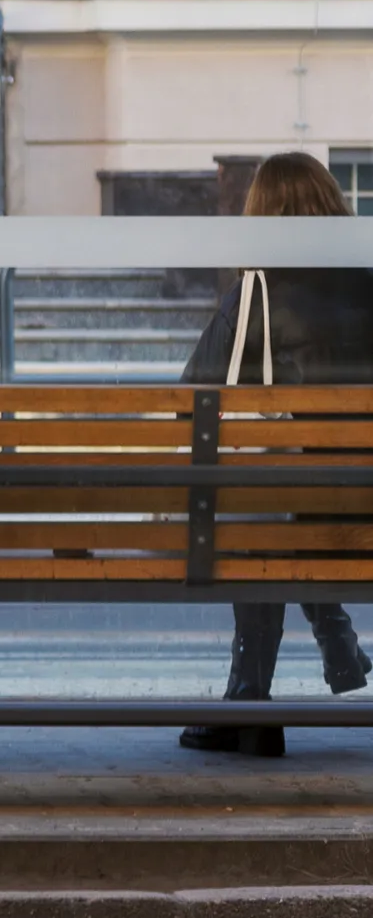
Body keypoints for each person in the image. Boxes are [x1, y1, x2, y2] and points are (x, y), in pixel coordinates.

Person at [177, 152, 373, 758]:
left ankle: (249, 702)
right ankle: (335, 638)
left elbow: (191, 393)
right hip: (362, 509)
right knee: (298, 498)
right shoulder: (369, 279)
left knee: (264, 502)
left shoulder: (257, 291)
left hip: (296, 509)